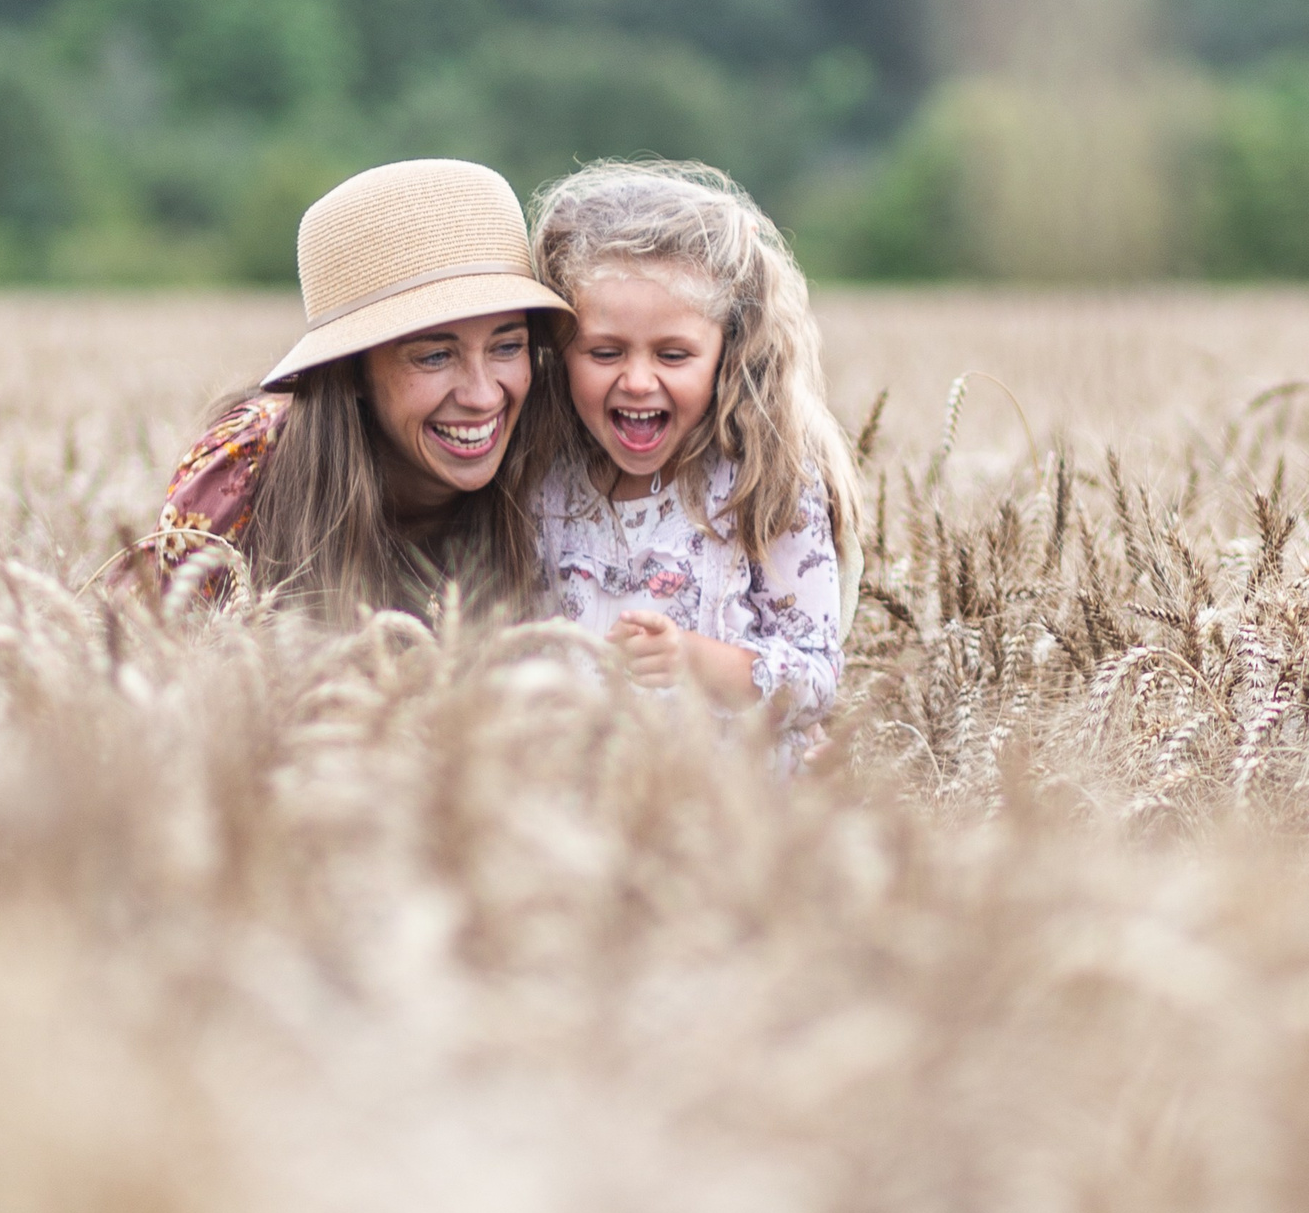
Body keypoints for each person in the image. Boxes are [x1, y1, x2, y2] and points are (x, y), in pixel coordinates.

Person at [527, 160, 858, 763]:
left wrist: (694, 659)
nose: (636, 380)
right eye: (604, 352)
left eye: (674, 355)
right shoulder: (543, 483)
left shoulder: (764, 485)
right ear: (560, 350)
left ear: (726, 353)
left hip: (729, 813)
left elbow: (816, 681)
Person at [146, 158, 569, 618]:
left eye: (507, 347)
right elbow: (163, 658)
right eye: (435, 356)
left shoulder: (564, 453)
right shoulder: (241, 482)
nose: (484, 396)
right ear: (351, 372)